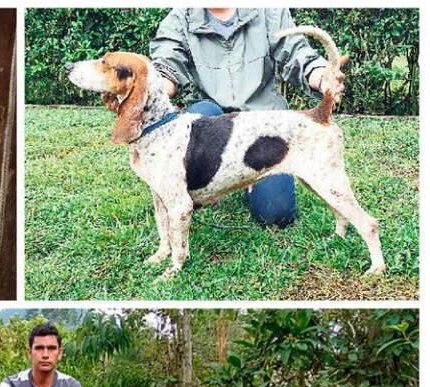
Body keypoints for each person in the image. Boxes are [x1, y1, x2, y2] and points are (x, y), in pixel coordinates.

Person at [149, 8, 348, 228]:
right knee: (200, 117)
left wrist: (322, 77)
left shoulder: (270, 11)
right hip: (213, 121)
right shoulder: (181, 16)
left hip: (261, 125)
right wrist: (147, 91)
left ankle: (241, 175)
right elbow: (166, 65)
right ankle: (210, 184)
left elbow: (297, 53)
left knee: (277, 213)